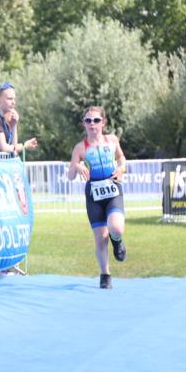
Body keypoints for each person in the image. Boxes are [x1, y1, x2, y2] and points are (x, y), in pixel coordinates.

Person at [67, 106, 128, 289]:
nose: (92, 124)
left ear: (103, 122)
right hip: (94, 196)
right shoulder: (80, 148)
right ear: (83, 124)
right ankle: (105, 275)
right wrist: (77, 166)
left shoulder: (112, 140)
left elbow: (121, 158)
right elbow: (70, 176)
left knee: (116, 228)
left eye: (96, 120)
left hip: (113, 190)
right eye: (88, 120)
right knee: (101, 238)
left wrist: (121, 168)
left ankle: (117, 241)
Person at [0, 82, 37, 155]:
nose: (13, 102)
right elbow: (3, 147)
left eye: (14, 99)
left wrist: (14, 125)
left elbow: (13, 148)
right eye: (10, 99)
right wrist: (24, 146)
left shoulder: (1, 118)